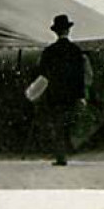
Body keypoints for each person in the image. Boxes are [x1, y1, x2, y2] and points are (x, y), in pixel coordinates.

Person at [38, 13, 86, 166]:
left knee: (57, 124)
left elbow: (43, 74)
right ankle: (69, 150)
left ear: (55, 32)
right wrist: (81, 95)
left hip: (55, 94)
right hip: (72, 93)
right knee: (70, 123)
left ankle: (61, 156)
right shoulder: (76, 51)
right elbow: (80, 75)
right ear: (68, 31)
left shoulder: (49, 51)